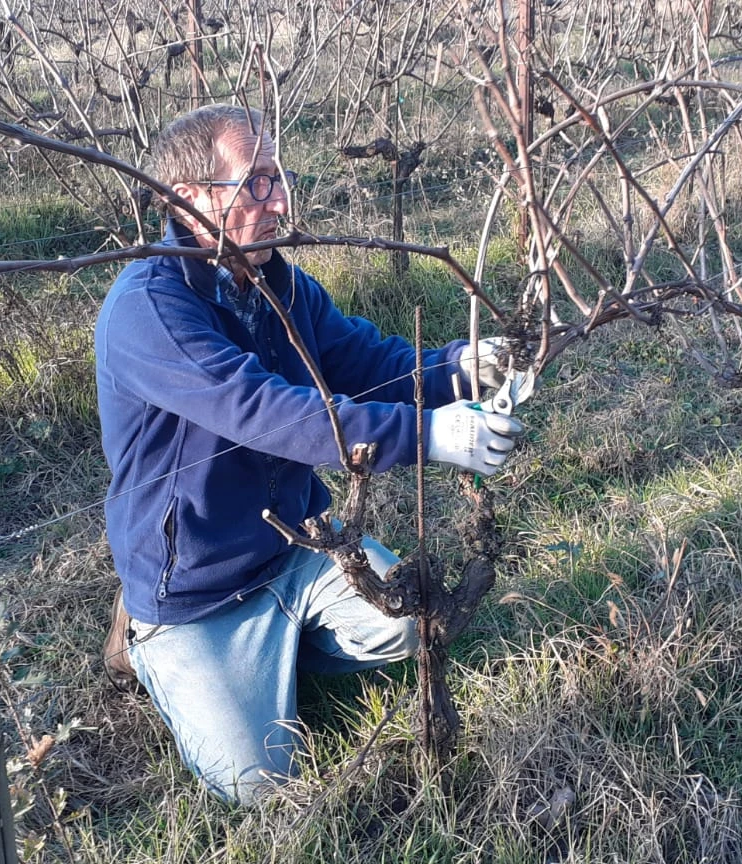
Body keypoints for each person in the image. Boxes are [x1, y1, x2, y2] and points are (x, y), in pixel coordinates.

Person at [94, 105, 524, 805]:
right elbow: (264, 412)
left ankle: (284, 652)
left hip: (298, 548)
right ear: (190, 198)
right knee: (262, 784)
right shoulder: (149, 309)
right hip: (197, 592)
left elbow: (367, 362)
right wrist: (433, 437)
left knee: (419, 625)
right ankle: (151, 643)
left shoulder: (278, 284)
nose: (281, 201)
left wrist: (460, 369)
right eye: (256, 184)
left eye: (278, 177)